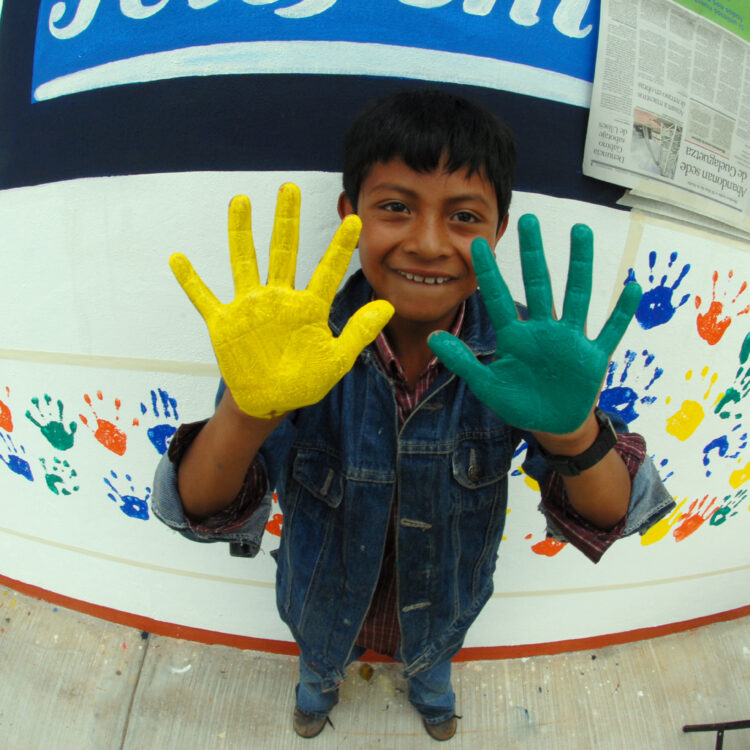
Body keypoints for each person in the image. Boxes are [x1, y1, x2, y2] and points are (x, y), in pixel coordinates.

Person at [152, 89, 674, 741]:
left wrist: (572, 430)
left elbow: (607, 514)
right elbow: (200, 507)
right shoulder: (296, 345)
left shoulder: (525, 359)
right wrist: (250, 414)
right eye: (396, 208)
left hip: (445, 605)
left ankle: (429, 688)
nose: (428, 243)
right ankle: (317, 692)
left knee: (432, 665)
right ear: (352, 214)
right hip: (319, 601)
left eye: (463, 217)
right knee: (319, 665)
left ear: (498, 232)